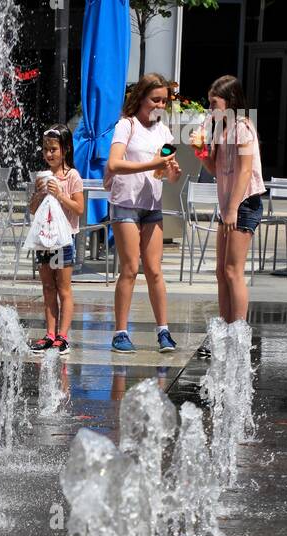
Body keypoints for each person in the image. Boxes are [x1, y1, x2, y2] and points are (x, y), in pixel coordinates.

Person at [105, 73, 182, 354]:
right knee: (130, 269)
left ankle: (163, 330)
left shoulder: (164, 132)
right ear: (141, 98)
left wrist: (170, 172)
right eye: (155, 99)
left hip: (152, 204)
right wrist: (153, 163)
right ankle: (120, 332)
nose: (160, 105)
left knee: (154, 270)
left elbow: (161, 172)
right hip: (125, 201)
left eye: (164, 100)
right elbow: (114, 163)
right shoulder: (126, 126)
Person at [190, 75, 264, 325]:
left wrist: (232, 209)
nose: (210, 108)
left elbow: (244, 170)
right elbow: (215, 168)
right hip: (228, 205)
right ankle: (225, 325)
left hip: (242, 204)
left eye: (214, 103)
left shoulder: (242, 127)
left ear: (230, 101)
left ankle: (239, 329)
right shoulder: (222, 129)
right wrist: (199, 151)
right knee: (222, 272)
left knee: (233, 271)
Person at [27, 125, 84, 356]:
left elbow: (79, 208)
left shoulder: (72, 176)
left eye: (53, 149)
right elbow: (32, 210)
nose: (49, 154)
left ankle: (63, 335)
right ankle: (50, 334)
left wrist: (60, 195)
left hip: (63, 240)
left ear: (65, 149)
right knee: (47, 286)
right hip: (44, 240)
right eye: (45, 149)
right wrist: (39, 193)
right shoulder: (43, 176)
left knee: (63, 288)